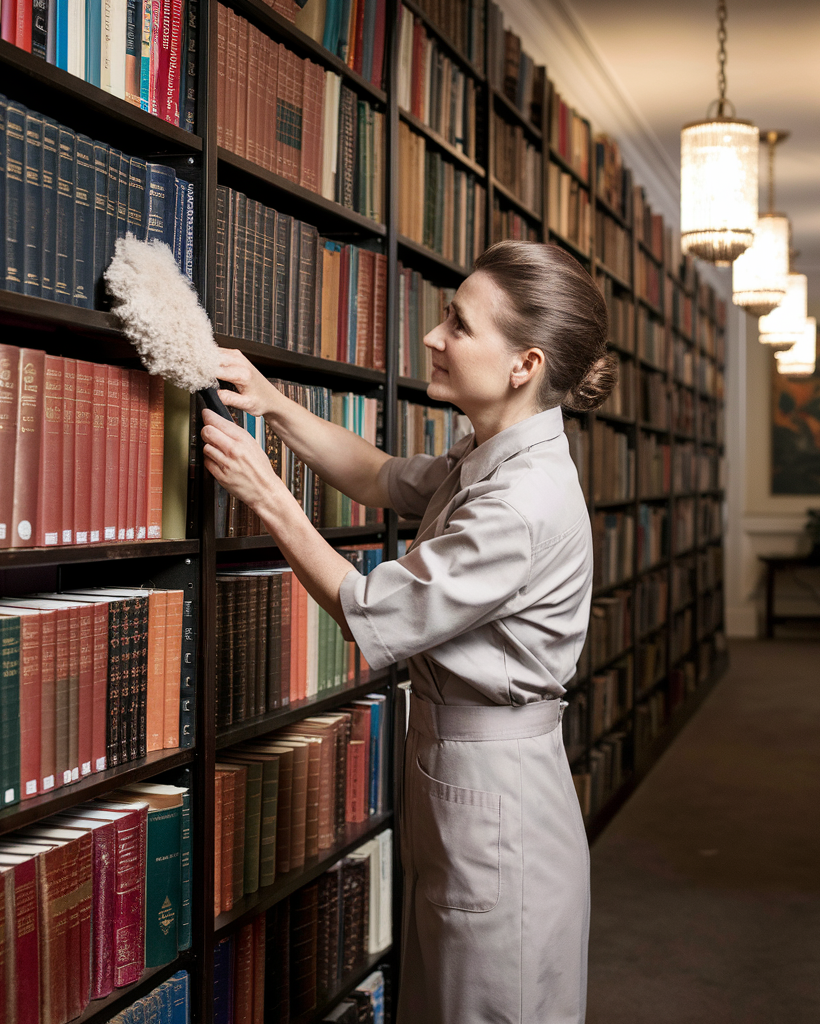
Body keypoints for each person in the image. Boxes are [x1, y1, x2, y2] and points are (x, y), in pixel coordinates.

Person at [200, 239, 617, 1024]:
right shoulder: (496, 453)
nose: (433, 336)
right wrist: (274, 402)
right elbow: (382, 475)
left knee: (491, 1005)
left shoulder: (521, 502)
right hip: (460, 772)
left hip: (498, 795)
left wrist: (268, 495)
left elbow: (370, 610)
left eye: (458, 324)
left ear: (523, 365)